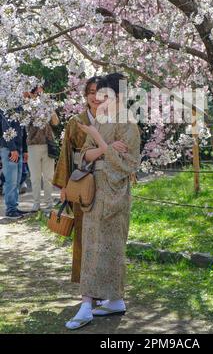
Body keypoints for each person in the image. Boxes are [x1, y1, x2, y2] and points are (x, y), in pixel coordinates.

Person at [65, 73, 141, 330]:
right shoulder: (101, 118)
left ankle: (113, 299)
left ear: (120, 96)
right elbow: (83, 156)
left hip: (116, 192)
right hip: (94, 191)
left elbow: (129, 163)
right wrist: (104, 146)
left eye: (107, 95)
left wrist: (98, 140)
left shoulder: (128, 122)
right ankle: (88, 303)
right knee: (91, 246)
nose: (101, 100)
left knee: (112, 246)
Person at [52, 76, 128, 284]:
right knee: (83, 233)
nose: (96, 97)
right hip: (82, 179)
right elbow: (66, 154)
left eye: (100, 92)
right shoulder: (75, 122)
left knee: (105, 233)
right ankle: (85, 283)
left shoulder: (113, 119)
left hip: (107, 179)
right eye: (91, 92)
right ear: (85, 95)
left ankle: (104, 284)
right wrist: (64, 186)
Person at [27, 86, 60, 213]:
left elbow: (56, 122)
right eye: (38, 92)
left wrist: (50, 108)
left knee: (48, 176)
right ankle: (36, 203)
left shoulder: (47, 105)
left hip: (48, 144)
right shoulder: (28, 106)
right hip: (33, 145)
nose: (40, 94)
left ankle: (49, 202)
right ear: (32, 93)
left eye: (42, 91)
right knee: (35, 177)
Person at [0, 108, 29, 219]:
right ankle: (10, 210)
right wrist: (12, 149)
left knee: (17, 181)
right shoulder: (6, 107)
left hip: (19, 149)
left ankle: (14, 207)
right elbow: (5, 129)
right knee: (11, 181)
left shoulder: (21, 109)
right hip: (9, 149)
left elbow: (23, 130)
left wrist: (25, 150)